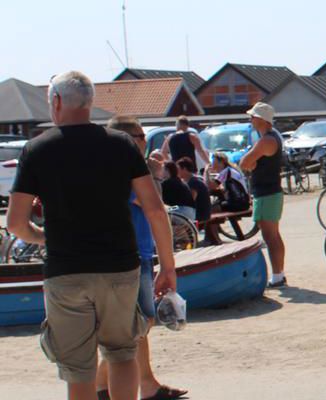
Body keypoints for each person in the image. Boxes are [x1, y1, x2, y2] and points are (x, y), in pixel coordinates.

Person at [8, 71, 176, 400]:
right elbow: (155, 210)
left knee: (78, 369)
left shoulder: (37, 150)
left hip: (66, 271)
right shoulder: (122, 145)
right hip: (119, 267)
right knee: (122, 353)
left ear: (56, 102)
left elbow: (16, 223)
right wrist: (168, 267)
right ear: (89, 102)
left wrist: (44, 237)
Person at [96, 116, 188, 400]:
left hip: (137, 254)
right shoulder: (126, 172)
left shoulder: (114, 169)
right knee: (140, 324)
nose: (145, 141)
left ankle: (142, 384)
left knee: (137, 326)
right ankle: (105, 386)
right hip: (132, 257)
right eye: (139, 136)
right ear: (126, 139)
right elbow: (155, 206)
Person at [239, 102, 287, 288]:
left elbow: (244, 162)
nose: (250, 119)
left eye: (253, 116)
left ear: (261, 119)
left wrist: (252, 164)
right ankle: (279, 274)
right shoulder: (269, 137)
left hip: (267, 192)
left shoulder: (267, 140)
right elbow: (248, 162)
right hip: (269, 191)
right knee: (273, 235)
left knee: (270, 236)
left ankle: (277, 276)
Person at [177, 159, 211, 223]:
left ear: (184, 169)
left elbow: (190, 201)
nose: (176, 172)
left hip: (200, 214)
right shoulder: (192, 180)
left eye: (178, 169)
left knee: (172, 216)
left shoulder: (193, 182)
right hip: (201, 213)